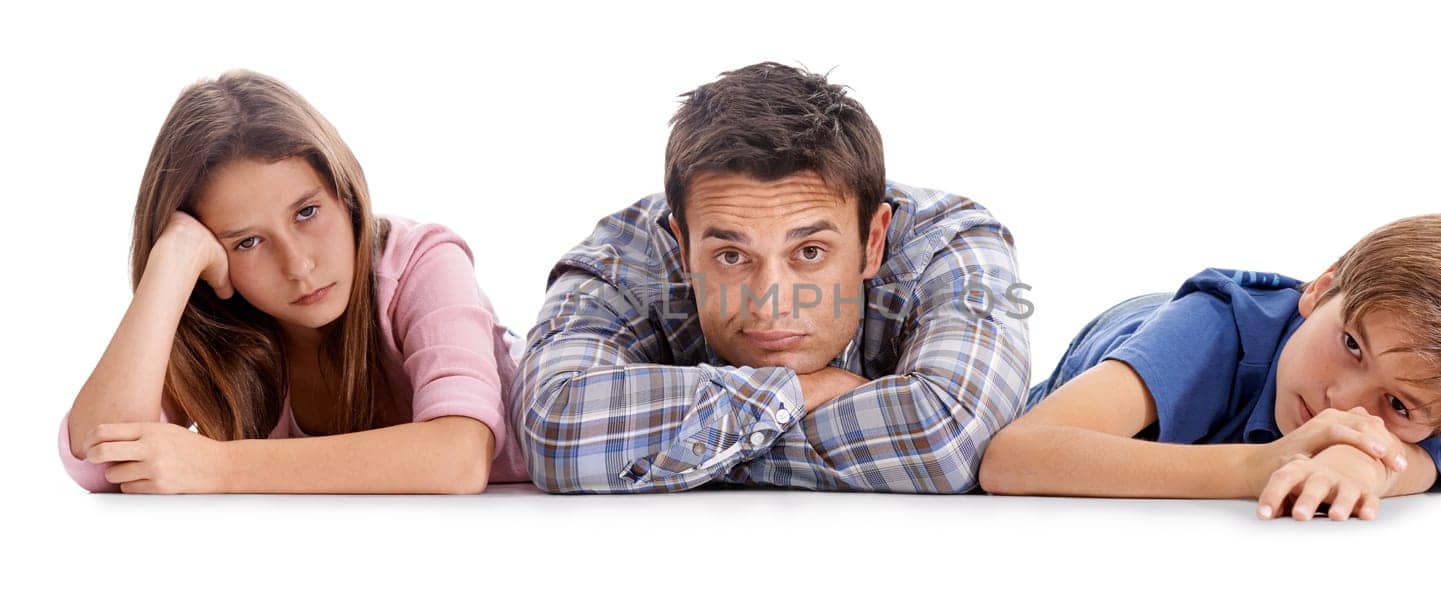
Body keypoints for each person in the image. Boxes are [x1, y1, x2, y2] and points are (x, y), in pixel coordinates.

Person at [515, 62, 1031, 493]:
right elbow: (554, 428)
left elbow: (947, 440)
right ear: (682, 246)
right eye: (732, 257)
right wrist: (809, 392)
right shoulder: (623, 260)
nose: (770, 302)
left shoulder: (950, 246)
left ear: (873, 241)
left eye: (809, 251)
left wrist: (671, 452)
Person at [59, 70, 526, 493]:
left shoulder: (422, 263)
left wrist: (219, 467)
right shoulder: (228, 328)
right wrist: (171, 261)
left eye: (307, 212)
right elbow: (104, 458)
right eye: (247, 243)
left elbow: (459, 457)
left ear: (345, 194)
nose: (298, 266)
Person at [979, 214, 1441, 520]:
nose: (1341, 401)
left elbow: (1412, 458)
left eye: (1395, 405)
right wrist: (1258, 468)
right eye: (1351, 344)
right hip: (1144, 337)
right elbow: (1011, 459)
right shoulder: (1210, 332)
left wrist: (1362, 464)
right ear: (1322, 288)